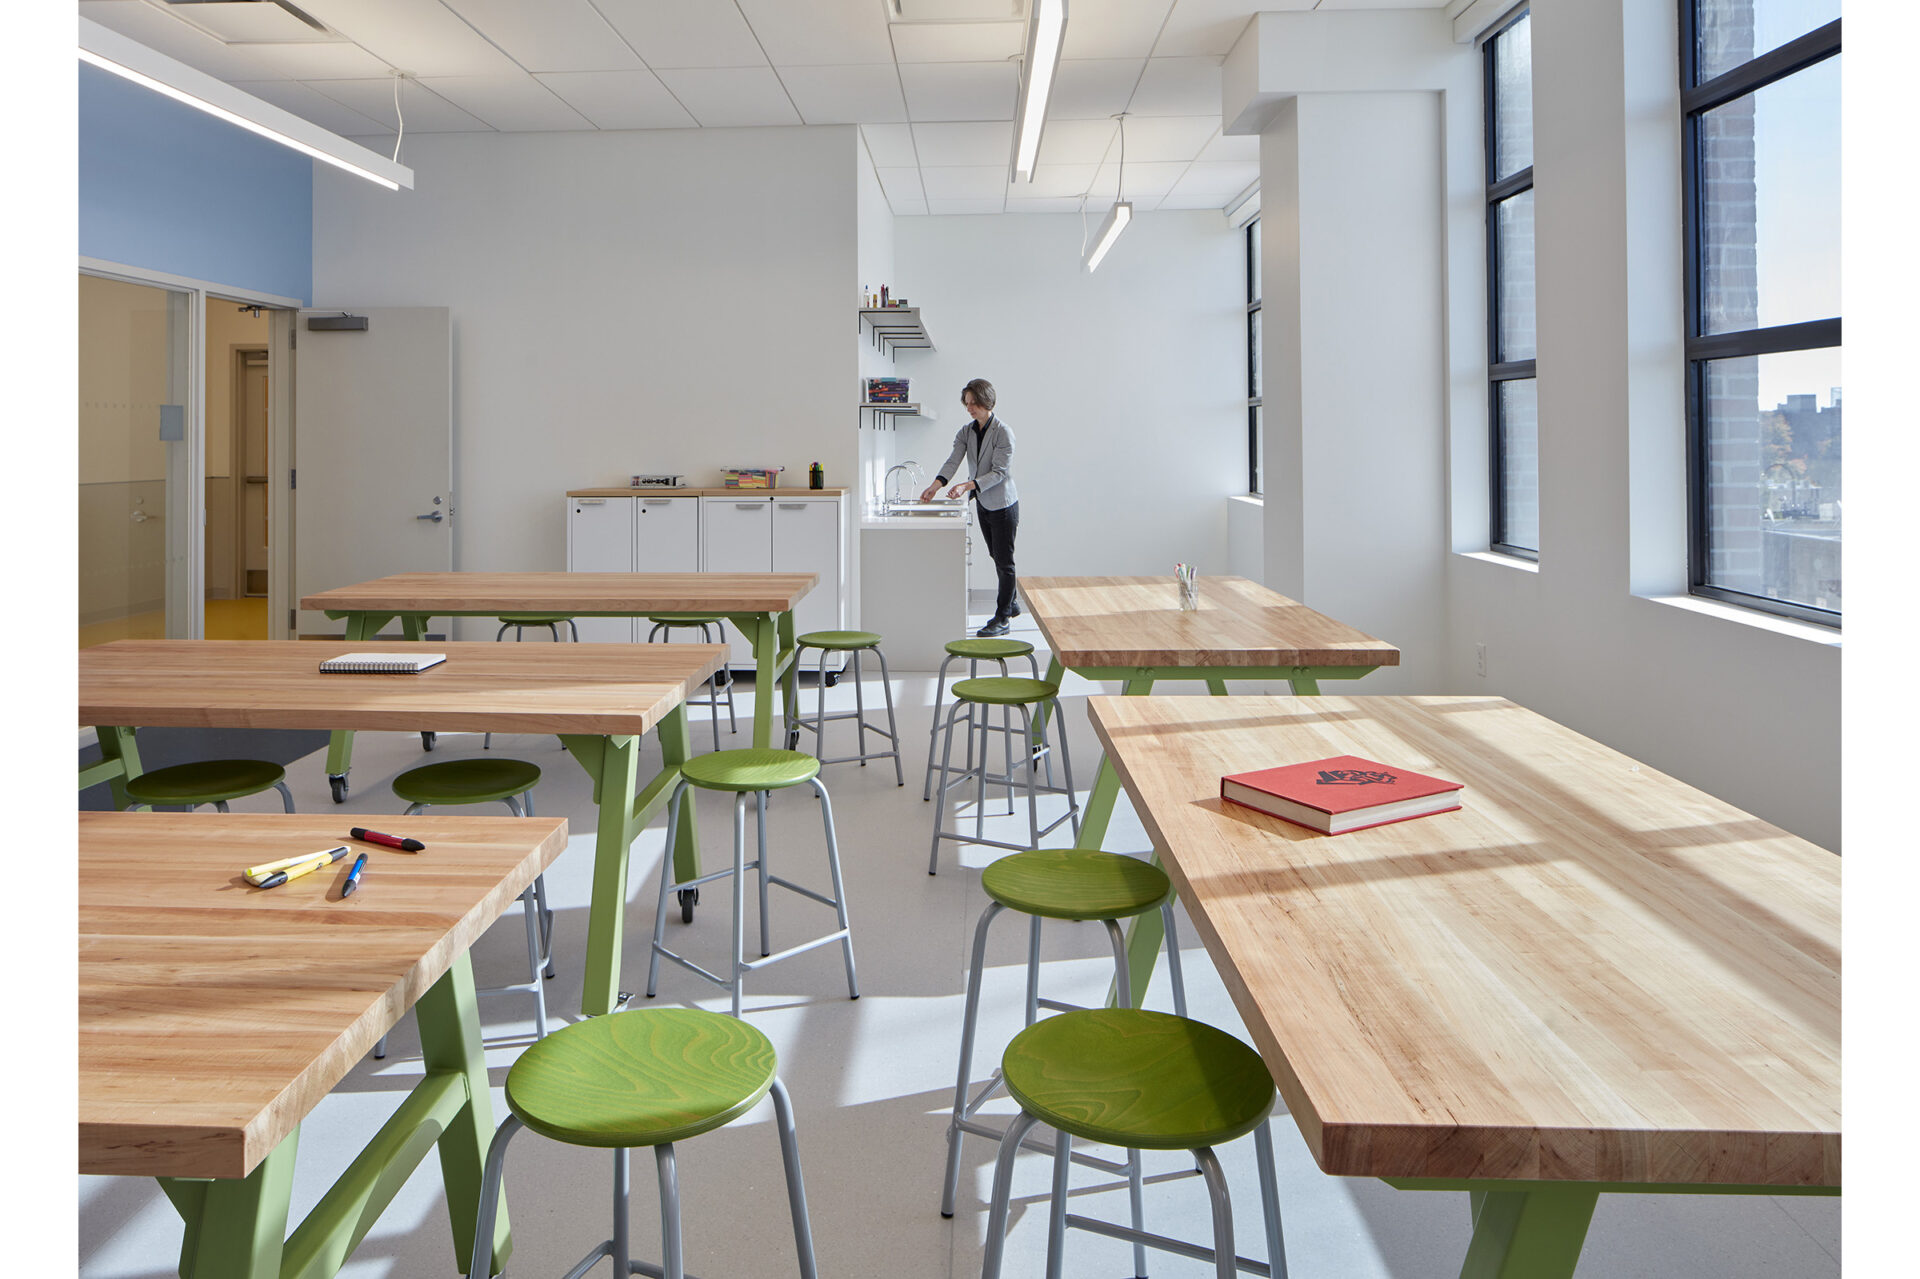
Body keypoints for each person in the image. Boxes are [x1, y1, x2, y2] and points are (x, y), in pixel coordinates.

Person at [921, 378, 1020, 637]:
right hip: (983, 502)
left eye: (974, 403)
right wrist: (936, 485)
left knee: (1004, 561)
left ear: (988, 401)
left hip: (1003, 504)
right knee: (995, 556)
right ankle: (1012, 602)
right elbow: (953, 459)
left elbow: (999, 473)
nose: (970, 408)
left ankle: (1003, 617)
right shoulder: (966, 432)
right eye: (967, 404)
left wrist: (966, 486)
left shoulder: (1003, 433)